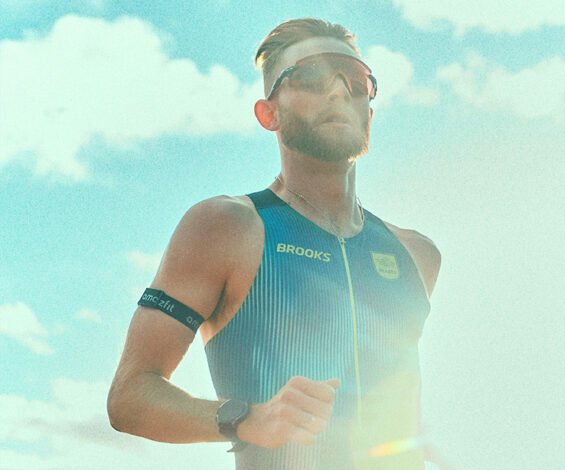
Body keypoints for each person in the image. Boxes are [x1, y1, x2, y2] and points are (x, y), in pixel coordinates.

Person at [107, 18, 441, 469]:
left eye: (354, 79)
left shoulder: (416, 256)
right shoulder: (227, 226)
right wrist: (247, 418)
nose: (338, 91)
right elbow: (130, 396)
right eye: (311, 77)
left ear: (370, 110)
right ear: (269, 114)